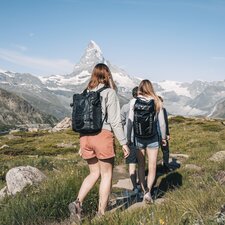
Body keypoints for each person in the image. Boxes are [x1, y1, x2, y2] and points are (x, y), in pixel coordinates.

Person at [69, 63, 130, 220]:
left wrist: (81, 144)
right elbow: (115, 121)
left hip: (85, 137)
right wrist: (123, 142)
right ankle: (101, 214)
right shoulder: (109, 93)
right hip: (102, 135)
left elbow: (81, 119)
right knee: (106, 174)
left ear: (94, 75)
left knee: (93, 173)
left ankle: (77, 203)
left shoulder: (85, 92)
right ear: (107, 75)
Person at [127, 79, 166, 203]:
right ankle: (149, 193)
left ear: (140, 88)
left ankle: (144, 190)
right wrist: (164, 138)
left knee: (141, 166)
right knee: (152, 166)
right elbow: (162, 123)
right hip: (153, 138)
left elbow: (130, 122)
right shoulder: (157, 101)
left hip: (138, 138)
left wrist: (128, 138)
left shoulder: (134, 101)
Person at [121, 86, 139, 193]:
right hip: (141, 139)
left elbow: (121, 122)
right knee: (141, 164)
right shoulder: (144, 106)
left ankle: (135, 187)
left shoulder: (125, 107)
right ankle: (143, 186)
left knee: (132, 165)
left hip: (129, 140)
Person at [158, 96, 171, 172]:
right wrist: (165, 136)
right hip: (161, 135)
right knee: (165, 150)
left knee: (165, 150)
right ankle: (165, 167)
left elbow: (166, 122)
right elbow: (163, 123)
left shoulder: (163, 110)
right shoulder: (161, 110)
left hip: (157, 135)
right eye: (161, 102)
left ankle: (165, 166)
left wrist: (167, 133)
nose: (162, 103)